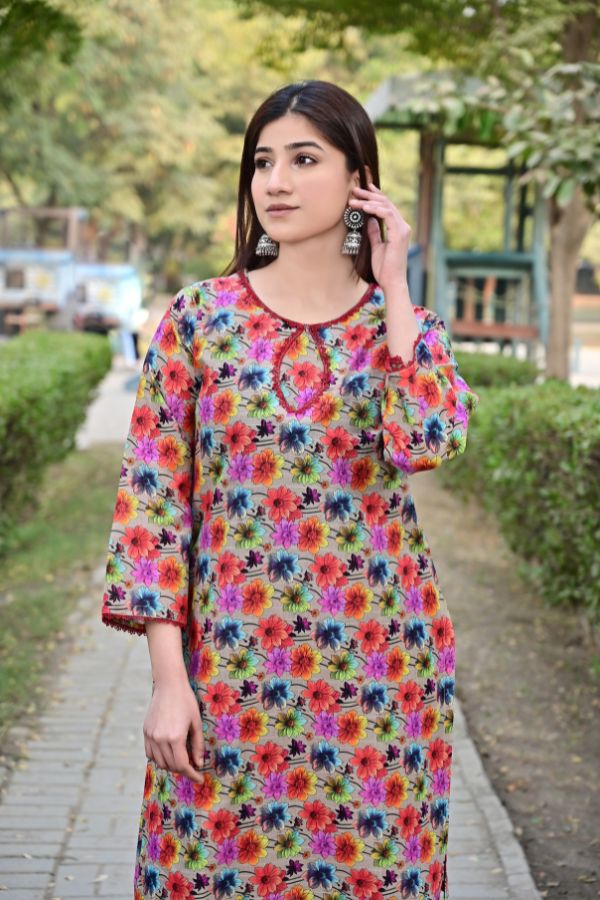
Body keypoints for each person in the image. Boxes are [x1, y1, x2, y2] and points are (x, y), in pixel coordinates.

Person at [101, 79, 480, 900]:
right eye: (262, 161)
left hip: (379, 679)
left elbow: (427, 440)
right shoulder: (198, 320)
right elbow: (152, 508)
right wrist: (169, 681)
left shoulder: (405, 328)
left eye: (304, 159)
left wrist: (397, 289)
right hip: (229, 679)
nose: (273, 181)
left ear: (359, 183)